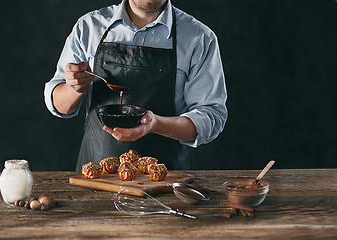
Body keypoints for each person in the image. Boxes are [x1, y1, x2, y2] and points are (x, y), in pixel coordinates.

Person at [44, 0, 227, 171]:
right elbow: (60, 105)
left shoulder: (199, 38)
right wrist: (74, 88)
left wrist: (155, 124)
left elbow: (210, 116)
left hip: (164, 181)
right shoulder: (89, 27)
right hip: (97, 175)